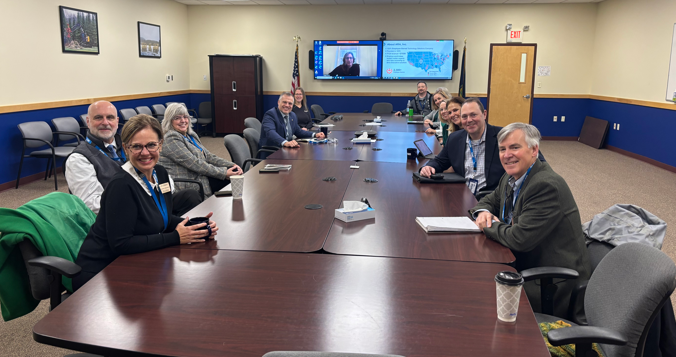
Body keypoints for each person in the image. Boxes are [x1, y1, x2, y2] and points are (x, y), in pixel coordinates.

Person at [72, 114, 219, 291]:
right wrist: (176, 237)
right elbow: (121, 244)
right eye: (137, 147)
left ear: (160, 145)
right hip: (102, 273)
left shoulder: (160, 173)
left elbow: (162, 216)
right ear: (126, 148)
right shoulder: (121, 186)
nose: (145, 153)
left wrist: (195, 227)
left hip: (135, 261)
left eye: (151, 145)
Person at [469, 123, 591, 317]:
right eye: (502, 149)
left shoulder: (545, 185)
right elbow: (490, 200)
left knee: (479, 294)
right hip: (525, 262)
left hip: (552, 282)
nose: (507, 155)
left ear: (534, 150)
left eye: (514, 147)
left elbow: (519, 238)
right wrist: (483, 211)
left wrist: (488, 225)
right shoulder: (512, 176)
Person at [65, 101, 201, 215]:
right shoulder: (79, 158)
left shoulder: (130, 143)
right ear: (88, 122)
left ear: (117, 121)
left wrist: (159, 193)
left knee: (190, 196)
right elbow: (91, 205)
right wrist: (141, 201)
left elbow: (160, 177)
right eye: (98, 117)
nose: (105, 122)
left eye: (110, 118)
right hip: (121, 212)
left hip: (153, 200)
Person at [419, 98, 544, 196]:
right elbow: (440, 161)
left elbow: (538, 162)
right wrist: (429, 167)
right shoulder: (455, 138)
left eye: (473, 115)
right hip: (462, 193)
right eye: (464, 116)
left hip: (494, 198)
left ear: (484, 114)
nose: (469, 120)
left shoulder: (503, 136)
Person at [159, 103, 242, 198]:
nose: (183, 121)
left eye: (185, 117)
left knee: (235, 172)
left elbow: (209, 156)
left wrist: (231, 165)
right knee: (229, 179)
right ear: (169, 121)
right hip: (188, 181)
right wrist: (223, 173)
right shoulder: (171, 138)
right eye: (177, 118)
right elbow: (195, 163)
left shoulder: (190, 135)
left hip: (198, 174)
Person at [258, 92, 325, 158]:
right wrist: (285, 142)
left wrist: (315, 135)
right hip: (272, 153)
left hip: (287, 151)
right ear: (278, 102)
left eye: (290, 103)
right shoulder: (270, 114)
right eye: (284, 102)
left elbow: (298, 131)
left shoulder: (292, 115)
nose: (287, 105)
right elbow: (270, 132)